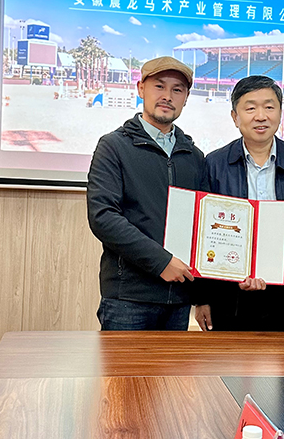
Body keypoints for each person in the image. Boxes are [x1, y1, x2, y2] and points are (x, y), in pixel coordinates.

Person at [195, 75, 284, 332]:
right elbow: (202, 236)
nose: (261, 116)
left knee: (280, 356)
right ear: (235, 117)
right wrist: (202, 298)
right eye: (250, 108)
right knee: (227, 356)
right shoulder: (214, 164)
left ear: (280, 113)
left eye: (269, 107)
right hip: (228, 290)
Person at [87, 55, 205, 330]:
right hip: (128, 299)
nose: (167, 96)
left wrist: (202, 296)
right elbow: (103, 216)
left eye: (177, 90)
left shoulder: (195, 156)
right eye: (159, 86)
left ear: (186, 98)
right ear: (141, 88)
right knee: (123, 363)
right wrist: (161, 262)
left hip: (179, 299)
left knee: (173, 363)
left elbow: (202, 226)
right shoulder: (113, 146)